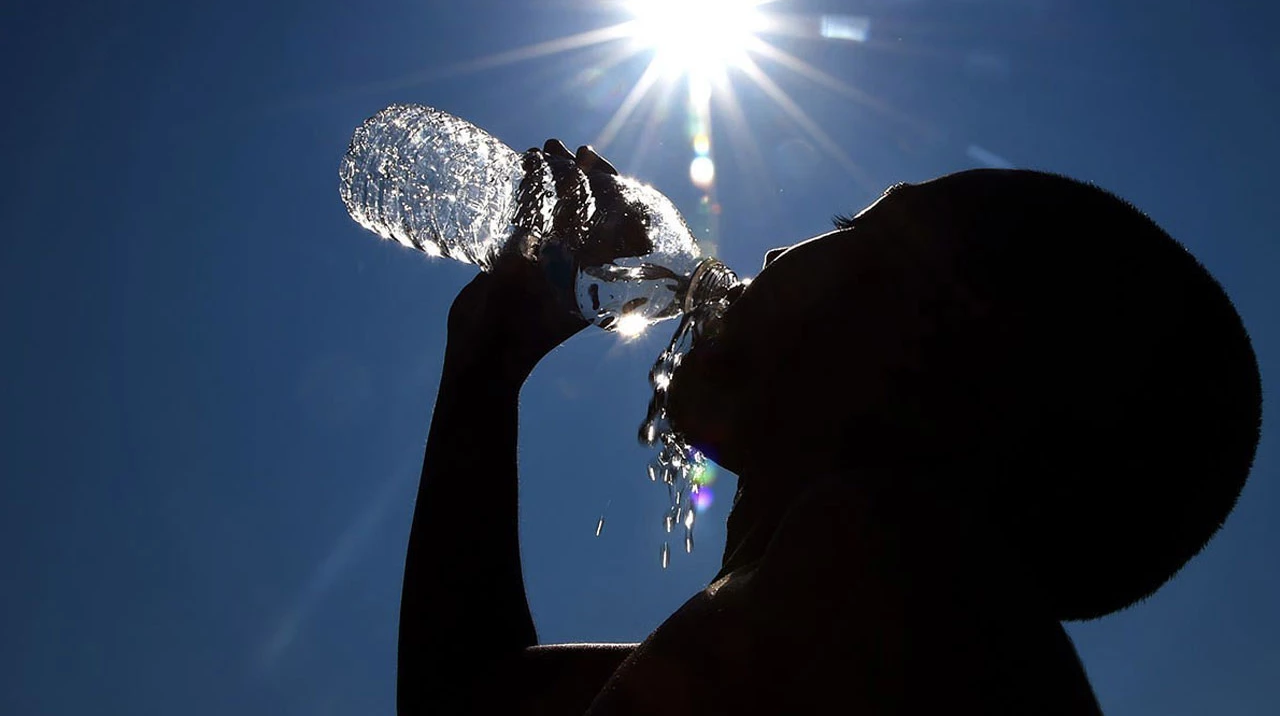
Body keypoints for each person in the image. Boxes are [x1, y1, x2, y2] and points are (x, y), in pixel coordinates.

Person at [396, 142, 1262, 715]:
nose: (774, 255)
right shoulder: (847, 637)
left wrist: (483, 372)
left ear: (934, 368)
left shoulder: (882, 587)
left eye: (859, 231)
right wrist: (484, 364)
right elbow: (470, 698)